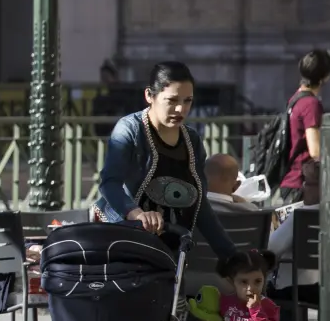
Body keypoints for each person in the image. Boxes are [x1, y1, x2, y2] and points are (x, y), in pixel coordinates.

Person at [93, 61, 237, 259]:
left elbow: (199, 204)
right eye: (172, 100)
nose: (180, 109)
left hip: (171, 244)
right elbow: (110, 183)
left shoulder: (192, 140)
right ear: (149, 96)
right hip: (124, 237)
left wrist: (232, 256)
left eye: (187, 101)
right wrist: (137, 214)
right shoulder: (129, 129)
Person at [267, 163, 320, 321]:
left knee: (270, 292)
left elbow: (271, 248)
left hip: (301, 288)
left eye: (308, 183)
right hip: (329, 288)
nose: (303, 188)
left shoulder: (301, 215)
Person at [279, 48, 330, 204]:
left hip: (290, 181)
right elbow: (315, 150)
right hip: (303, 185)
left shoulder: (296, 98)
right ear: (325, 77)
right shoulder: (311, 104)